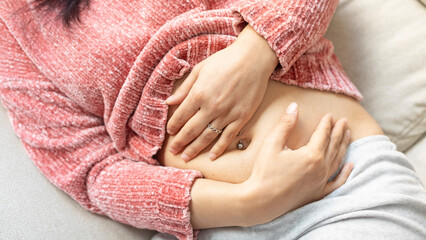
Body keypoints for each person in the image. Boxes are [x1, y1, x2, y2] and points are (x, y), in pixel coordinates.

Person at [0, 1, 425, 240]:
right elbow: (91, 170)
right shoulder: (10, 30)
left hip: (341, 190)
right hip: (215, 227)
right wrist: (252, 202)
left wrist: (255, 55)